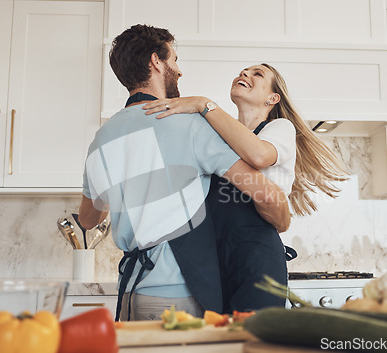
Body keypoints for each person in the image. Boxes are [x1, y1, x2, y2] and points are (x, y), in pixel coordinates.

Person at [78, 25, 290, 321]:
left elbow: (89, 220)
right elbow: (267, 195)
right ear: (156, 62)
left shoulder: (101, 138)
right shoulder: (190, 126)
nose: (179, 71)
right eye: (174, 60)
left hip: (131, 292)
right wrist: (282, 223)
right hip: (182, 294)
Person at [143, 63, 348, 312]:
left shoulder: (279, 128)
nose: (245, 74)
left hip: (256, 258)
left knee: (252, 343)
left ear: (273, 98)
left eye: (257, 74)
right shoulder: (217, 137)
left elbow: (259, 155)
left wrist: (203, 104)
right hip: (214, 258)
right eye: (243, 71)